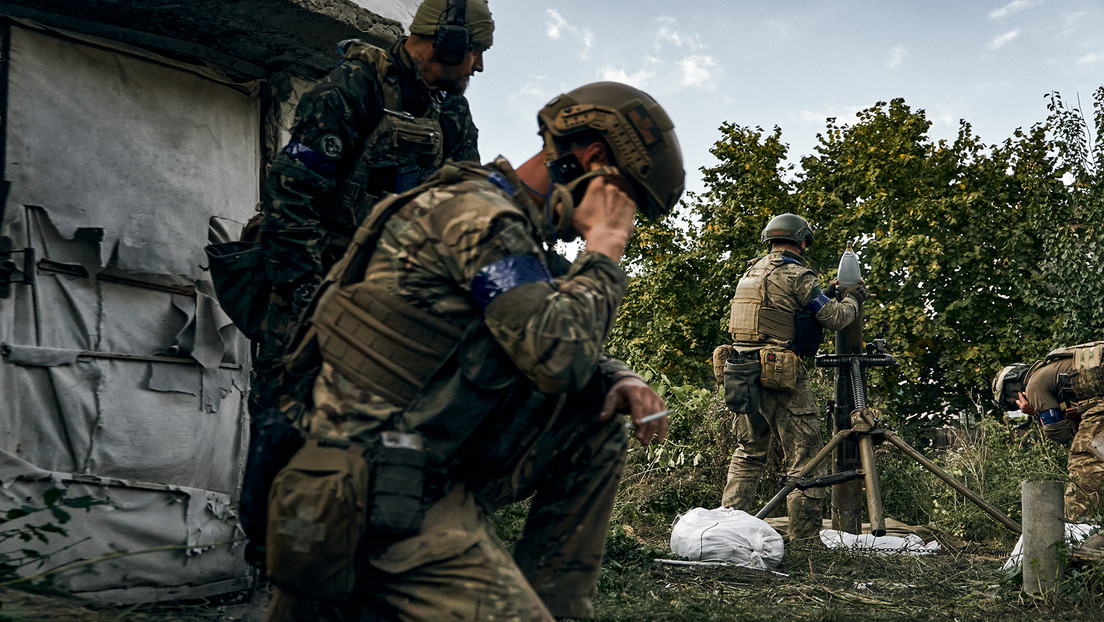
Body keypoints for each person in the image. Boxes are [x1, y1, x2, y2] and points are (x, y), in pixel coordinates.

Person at [262, 81, 685, 621]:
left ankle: (555, 606)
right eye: (625, 199)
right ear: (595, 161)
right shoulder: (481, 219)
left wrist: (618, 375)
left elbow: (529, 323)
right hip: (376, 491)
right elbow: (558, 356)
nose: (626, 218)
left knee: (597, 413)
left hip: (423, 465)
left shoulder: (507, 228)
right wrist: (604, 247)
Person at [252, 0, 494, 418]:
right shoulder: (353, 87)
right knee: (287, 424)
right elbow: (289, 194)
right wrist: (309, 297)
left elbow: (469, 210)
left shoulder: (451, 111)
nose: (479, 67)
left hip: (392, 305)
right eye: (477, 52)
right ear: (451, 43)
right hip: (316, 292)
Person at [720, 213, 868, 541]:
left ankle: (729, 533)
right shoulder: (798, 274)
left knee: (748, 453)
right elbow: (834, 318)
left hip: (741, 373)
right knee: (807, 457)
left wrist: (823, 291)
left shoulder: (751, 271)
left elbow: (782, 309)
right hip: (779, 375)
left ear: (770, 240)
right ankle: (805, 541)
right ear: (802, 242)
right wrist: (854, 299)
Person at [992, 347, 1104, 521]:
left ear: (1013, 387)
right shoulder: (1051, 371)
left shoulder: (1034, 386)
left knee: (1084, 461)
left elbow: (1062, 435)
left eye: (1013, 403)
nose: (1017, 406)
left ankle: (1080, 527)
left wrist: (1035, 411)